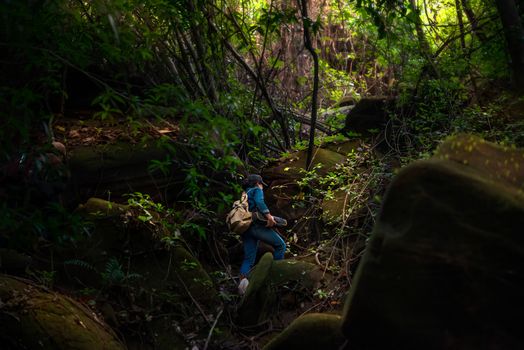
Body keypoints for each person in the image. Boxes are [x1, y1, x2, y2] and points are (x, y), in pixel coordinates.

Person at [238, 174, 287, 295]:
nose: (262, 187)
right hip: (256, 226)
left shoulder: (244, 194)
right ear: (257, 183)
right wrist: (269, 216)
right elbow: (259, 202)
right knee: (281, 246)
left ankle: (242, 285)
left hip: (246, 228)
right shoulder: (256, 190)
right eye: (261, 184)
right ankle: (275, 276)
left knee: (248, 258)